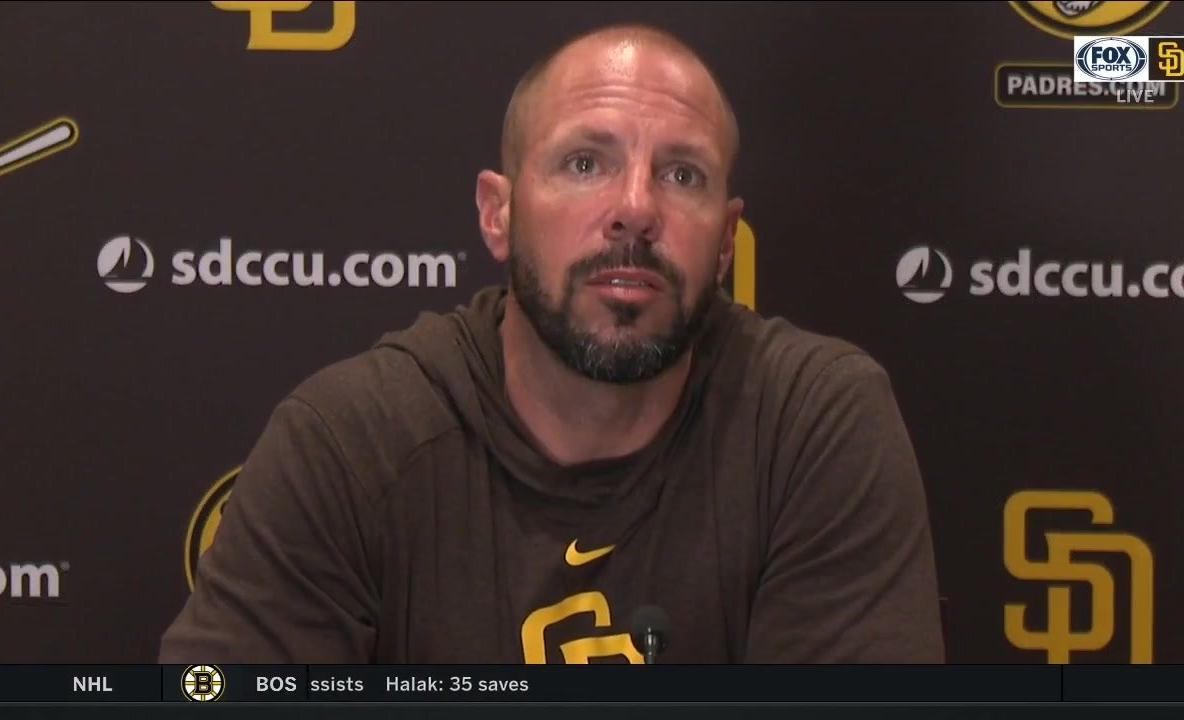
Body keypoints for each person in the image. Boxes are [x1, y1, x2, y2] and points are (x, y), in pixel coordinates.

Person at [158, 22, 945, 664]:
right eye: (584, 162)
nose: (635, 208)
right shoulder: (349, 442)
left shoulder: (813, 423)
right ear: (497, 214)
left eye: (682, 176)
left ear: (729, 240)